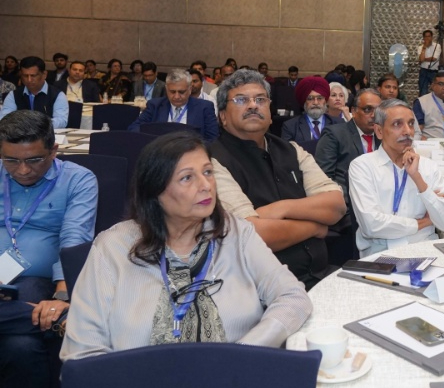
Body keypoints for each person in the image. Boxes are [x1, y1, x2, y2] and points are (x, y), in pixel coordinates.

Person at [60, 131, 312, 360]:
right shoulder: (112, 247)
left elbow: (293, 297)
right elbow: (82, 351)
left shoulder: (237, 234)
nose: (205, 186)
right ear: (155, 191)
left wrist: (243, 353)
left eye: (208, 172)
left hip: (233, 382)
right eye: (187, 178)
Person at [0, 111, 97, 388]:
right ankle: (47, 320)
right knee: (24, 340)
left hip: (32, 282)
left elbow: (74, 238)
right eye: (11, 161)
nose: (23, 170)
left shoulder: (78, 180)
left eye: (34, 160)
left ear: (54, 150)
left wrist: (61, 296)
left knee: (20, 348)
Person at [210, 69, 346, 288]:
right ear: (223, 116)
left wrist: (281, 208)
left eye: (260, 99)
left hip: (320, 276)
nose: (253, 105)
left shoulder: (292, 150)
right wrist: (314, 227)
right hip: (260, 289)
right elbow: (250, 235)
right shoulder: (211, 161)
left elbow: (336, 205)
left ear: (270, 111)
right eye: (241, 100)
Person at [348, 99, 444, 256]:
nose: (407, 131)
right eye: (397, 124)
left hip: (425, 251)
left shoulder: (428, 167)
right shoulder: (362, 166)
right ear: (379, 131)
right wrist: (423, 222)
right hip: (380, 255)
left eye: (411, 124)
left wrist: (417, 178)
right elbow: (371, 225)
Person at [315, 89, 382, 264]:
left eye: (378, 110)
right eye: (368, 109)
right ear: (353, 111)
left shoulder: (384, 136)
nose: (374, 115)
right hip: (349, 206)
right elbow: (323, 179)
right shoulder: (335, 134)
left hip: (381, 202)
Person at [128, 69, 219, 142]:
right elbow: (134, 128)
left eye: (181, 92)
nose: (176, 96)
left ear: (190, 89)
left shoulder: (204, 107)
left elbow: (213, 139)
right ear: (166, 89)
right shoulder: (155, 105)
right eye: (172, 92)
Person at [0, 56, 68, 130]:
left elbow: (61, 121)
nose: (29, 80)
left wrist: (34, 125)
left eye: (33, 75)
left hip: (47, 134)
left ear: (44, 74)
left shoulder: (57, 95)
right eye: (25, 76)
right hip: (20, 135)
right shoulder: (14, 95)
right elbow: (4, 118)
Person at [281, 76, 337, 144]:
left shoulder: (338, 123)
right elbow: (287, 150)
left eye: (320, 98)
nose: (315, 103)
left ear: (325, 101)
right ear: (304, 102)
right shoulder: (290, 126)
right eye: (310, 99)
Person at [417, 29, 442, 96]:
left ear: (432, 37)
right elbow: (421, 59)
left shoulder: (437, 46)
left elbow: (434, 58)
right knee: (423, 91)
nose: (427, 38)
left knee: (436, 91)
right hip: (424, 71)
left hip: (433, 72)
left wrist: (424, 59)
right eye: (426, 36)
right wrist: (424, 48)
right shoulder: (420, 47)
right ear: (423, 38)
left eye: (429, 36)